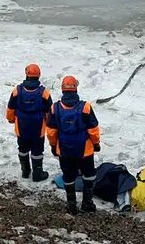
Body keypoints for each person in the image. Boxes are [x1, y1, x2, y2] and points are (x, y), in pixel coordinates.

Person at [46, 76, 101, 214]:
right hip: (85, 150)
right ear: (75, 88)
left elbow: (51, 131)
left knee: (68, 176)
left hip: (64, 150)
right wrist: (96, 144)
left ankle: (71, 205)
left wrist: (53, 145)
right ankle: (87, 203)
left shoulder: (55, 108)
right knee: (89, 174)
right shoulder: (86, 107)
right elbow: (93, 129)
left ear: (62, 88)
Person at [6, 63, 53, 181]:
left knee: (22, 148)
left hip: (21, 126)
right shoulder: (44, 93)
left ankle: (25, 171)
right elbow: (49, 112)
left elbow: (10, 108)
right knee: (37, 150)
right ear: (39, 75)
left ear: (26, 74)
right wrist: (49, 123)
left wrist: (11, 119)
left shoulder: (17, 90)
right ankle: (37, 174)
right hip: (38, 128)